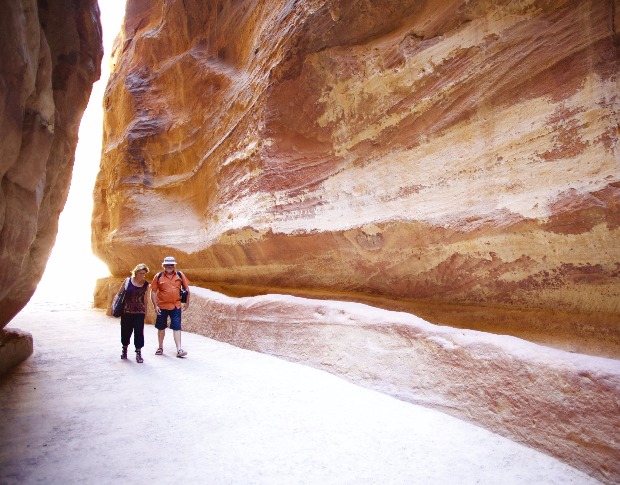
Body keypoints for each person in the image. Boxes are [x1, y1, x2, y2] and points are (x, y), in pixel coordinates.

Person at [150, 256, 190, 358]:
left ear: (174, 265)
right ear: (164, 266)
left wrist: (187, 303)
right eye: (167, 265)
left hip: (176, 306)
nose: (170, 266)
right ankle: (160, 347)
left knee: (177, 327)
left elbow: (187, 288)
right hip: (162, 306)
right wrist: (155, 306)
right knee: (161, 327)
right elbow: (153, 291)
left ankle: (179, 349)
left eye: (171, 264)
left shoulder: (180, 275)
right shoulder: (158, 276)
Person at [118, 263, 150, 363]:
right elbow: (120, 294)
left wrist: (146, 312)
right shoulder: (128, 281)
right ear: (136, 272)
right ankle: (124, 349)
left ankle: (138, 352)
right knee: (126, 331)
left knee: (139, 332)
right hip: (126, 311)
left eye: (144, 273)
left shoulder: (146, 284)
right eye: (140, 273)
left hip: (139, 312)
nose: (142, 275)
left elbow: (146, 299)